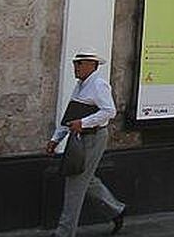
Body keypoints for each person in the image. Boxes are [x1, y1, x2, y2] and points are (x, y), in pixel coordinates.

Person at [47, 52, 126, 236]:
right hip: (79, 137)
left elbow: (109, 111)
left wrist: (84, 123)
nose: (76, 67)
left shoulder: (98, 85)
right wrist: (56, 138)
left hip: (93, 137)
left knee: (75, 182)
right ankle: (116, 210)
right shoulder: (80, 86)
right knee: (86, 179)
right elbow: (72, 114)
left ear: (92, 65)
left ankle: (64, 232)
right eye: (75, 63)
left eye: (80, 63)